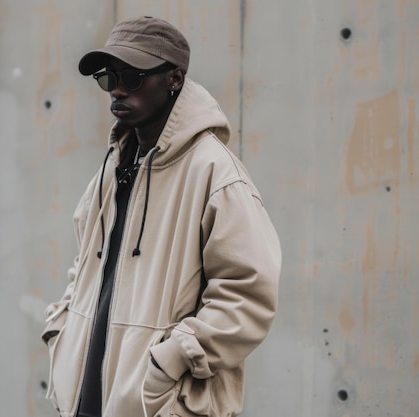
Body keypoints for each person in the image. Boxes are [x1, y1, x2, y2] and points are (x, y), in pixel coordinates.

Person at [42, 16, 281, 417]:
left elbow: (248, 294)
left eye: (132, 76)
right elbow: (85, 265)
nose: (117, 88)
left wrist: (170, 360)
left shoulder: (214, 173)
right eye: (109, 76)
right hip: (89, 397)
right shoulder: (113, 168)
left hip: (159, 404)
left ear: (173, 79)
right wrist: (64, 330)